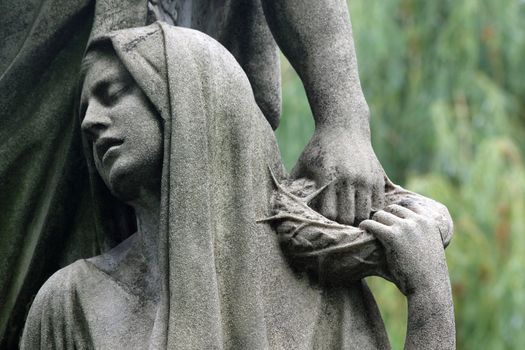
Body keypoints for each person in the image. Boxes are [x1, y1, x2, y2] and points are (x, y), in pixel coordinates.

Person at [21, 22, 454, 349]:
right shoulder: (69, 304)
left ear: (191, 98)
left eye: (112, 93)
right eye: (87, 105)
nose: (90, 121)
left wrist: (430, 299)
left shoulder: (324, 300)